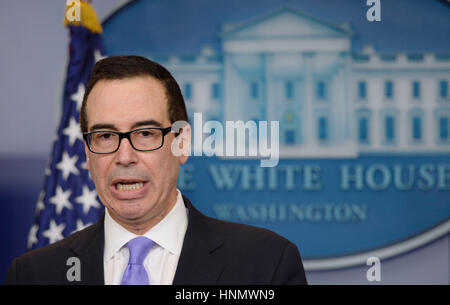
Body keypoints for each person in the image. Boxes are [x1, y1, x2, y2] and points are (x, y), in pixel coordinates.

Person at [4, 55, 307, 285]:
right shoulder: (33, 275)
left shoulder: (266, 264)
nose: (124, 156)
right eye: (105, 136)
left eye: (145, 133)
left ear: (182, 143)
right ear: (87, 152)